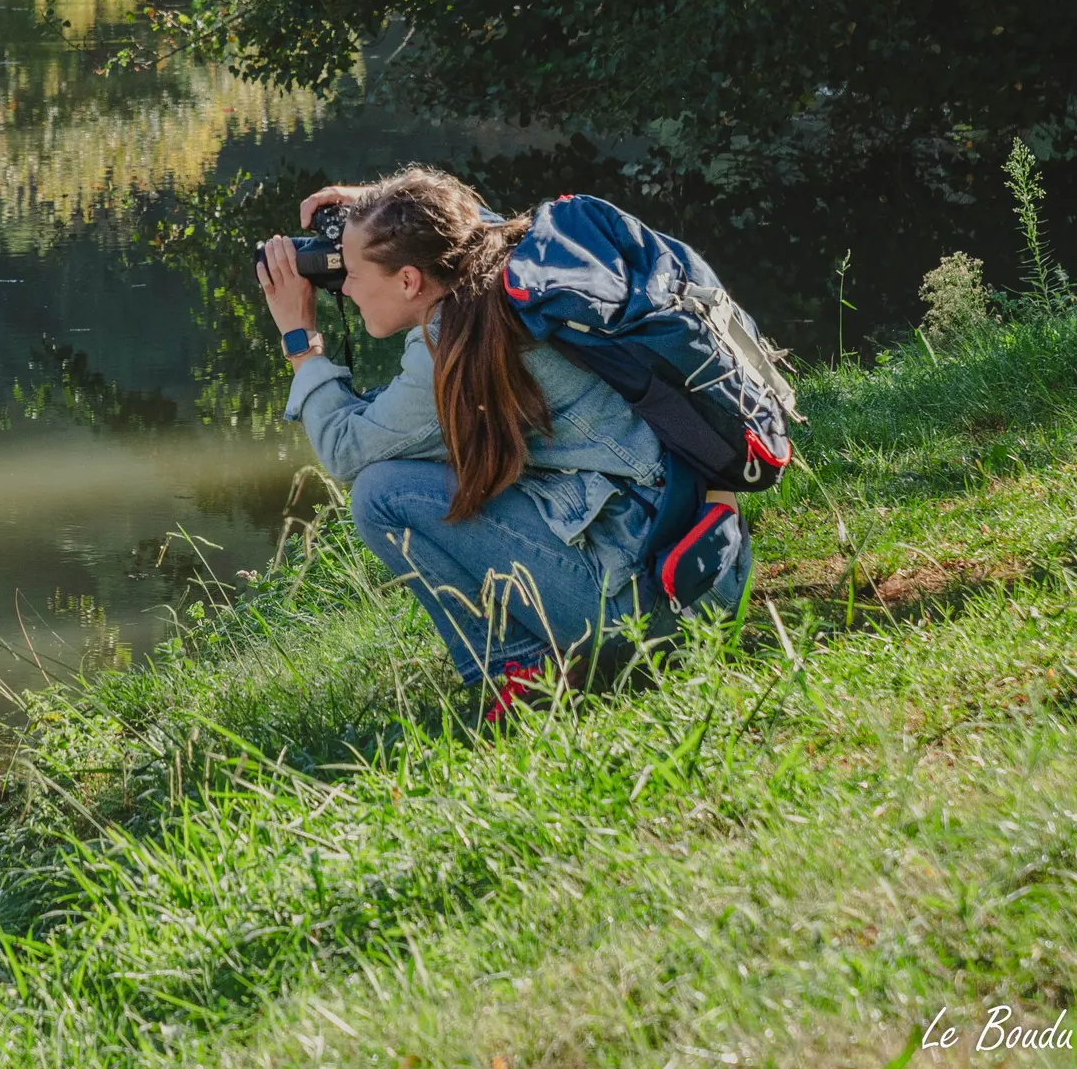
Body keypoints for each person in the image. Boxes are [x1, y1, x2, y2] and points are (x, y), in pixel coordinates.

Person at [255, 166, 746, 719]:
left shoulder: (449, 346)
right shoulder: (522, 264)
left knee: (380, 493)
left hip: (647, 615)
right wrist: (375, 208)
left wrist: (301, 339)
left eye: (353, 272)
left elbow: (343, 449)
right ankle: (551, 660)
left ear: (410, 281)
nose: (342, 285)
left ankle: (525, 677)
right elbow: (461, 222)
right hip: (713, 570)